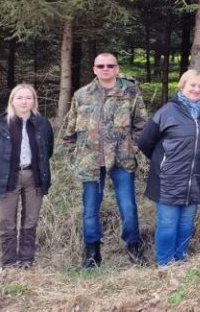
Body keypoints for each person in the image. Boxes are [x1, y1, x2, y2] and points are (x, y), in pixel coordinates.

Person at [61, 53, 148, 268]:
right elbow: (69, 130)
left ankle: (133, 248)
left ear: (117, 68)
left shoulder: (130, 91)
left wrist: (133, 148)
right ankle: (92, 254)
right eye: (101, 65)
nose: (106, 69)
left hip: (121, 160)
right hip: (91, 161)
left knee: (128, 207)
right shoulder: (82, 95)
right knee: (90, 208)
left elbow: (141, 126)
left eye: (110, 65)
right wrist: (74, 154)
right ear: (94, 69)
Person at [137, 69, 200, 266]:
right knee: (168, 225)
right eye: (192, 85)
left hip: (195, 179)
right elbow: (145, 141)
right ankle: (164, 264)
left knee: (186, 224)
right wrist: (163, 161)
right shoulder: (167, 111)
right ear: (182, 86)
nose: (196, 90)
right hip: (169, 179)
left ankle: (180, 260)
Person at [0, 84, 53, 269]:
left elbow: (48, 150)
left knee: (31, 221)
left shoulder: (42, 123)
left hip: (34, 177)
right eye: (20, 98)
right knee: (7, 222)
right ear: (12, 100)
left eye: (28, 98)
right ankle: (8, 263)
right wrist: (4, 168)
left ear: (34, 101)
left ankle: (26, 261)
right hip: (7, 178)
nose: (24, 101)